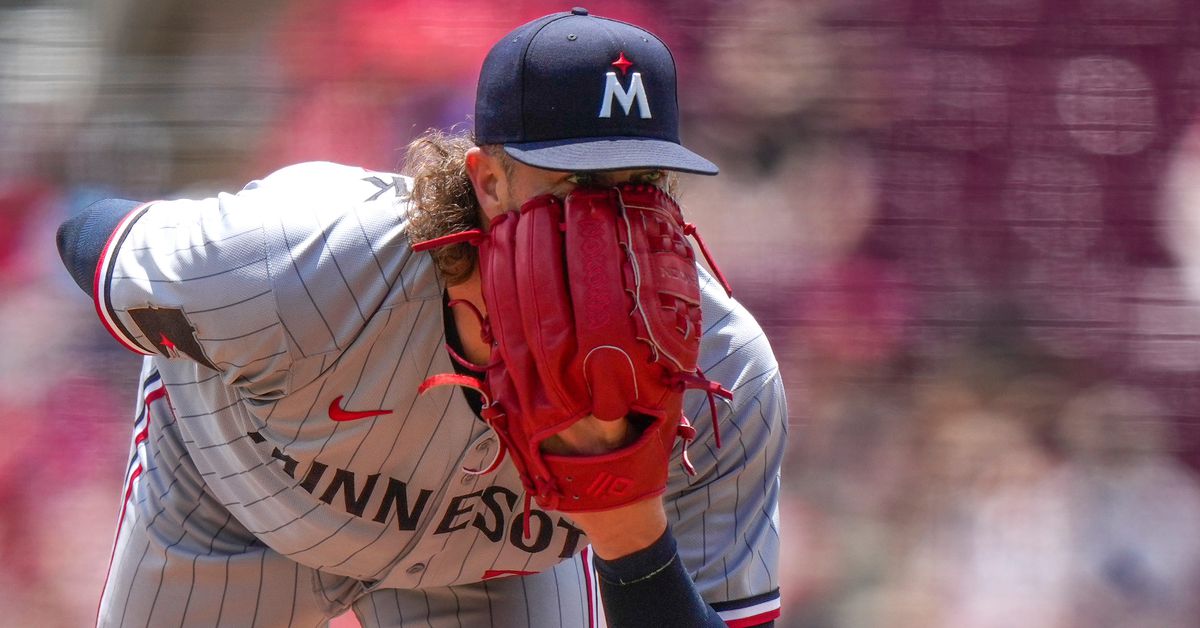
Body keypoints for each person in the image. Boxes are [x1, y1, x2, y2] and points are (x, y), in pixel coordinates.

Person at [57, 8, 786, 627]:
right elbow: (95, 238)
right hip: (234, 507)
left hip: (491, 572)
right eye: (577, 183)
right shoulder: (304, 258)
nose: (612, 218)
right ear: (488, 180)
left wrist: (630, 538)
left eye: (641, 182)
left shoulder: (722, 370)